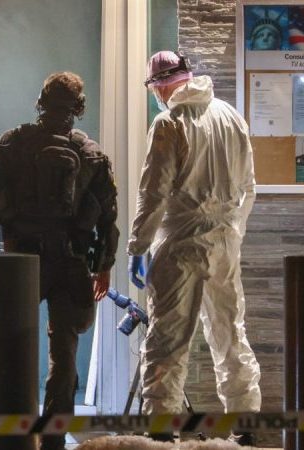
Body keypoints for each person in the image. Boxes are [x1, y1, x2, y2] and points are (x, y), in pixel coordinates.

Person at [0, 71, 119, 450]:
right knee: (64, 352)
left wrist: (4, 232)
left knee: (9, 345)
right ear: (79, 107)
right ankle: (54, 438)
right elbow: (108, 216)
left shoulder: (13, 143)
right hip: (71, 262)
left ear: (41, 102)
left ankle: (11, 434)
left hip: (19, 260)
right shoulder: (91, 153)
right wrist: (103, 265)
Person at [127, 51, 261, 446]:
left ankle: (161, 432)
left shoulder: (169, 122)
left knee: (168, 340)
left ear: (160, 85)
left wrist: (139, 245)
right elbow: (249, 186)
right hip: (224, 242)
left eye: (154, 88)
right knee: (230, 334)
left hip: (181, 244)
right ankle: (246, 427)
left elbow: (154, 192)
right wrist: (233, 231)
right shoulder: (230, 115)